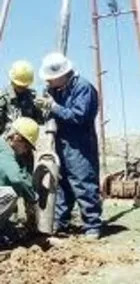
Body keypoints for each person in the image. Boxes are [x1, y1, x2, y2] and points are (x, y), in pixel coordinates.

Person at [36, 52, 102, 239]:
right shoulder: (56, 90)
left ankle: (92, 225)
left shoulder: (83, 88)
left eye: (50, 79)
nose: (47, 82)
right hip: (62, 142)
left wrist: (54, 107)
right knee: (62, 183)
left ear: (61, 75)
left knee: (83, 182)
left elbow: (79, 116)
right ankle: (60, 222)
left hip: (80, 144)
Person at [0, 60, 44, 173]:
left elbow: (40, 121)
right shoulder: (3, 98)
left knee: (26, 180)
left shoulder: (32, 97)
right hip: (8, 147)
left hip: (26, 149)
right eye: (19, 85)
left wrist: (42, 108)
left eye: (24, 85)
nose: (22, 88)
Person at [0, 117, 39, 235]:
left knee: (13, 234)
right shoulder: (4, 151)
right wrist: (33, 198)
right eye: (26, 146)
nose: (26, 151)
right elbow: (17, 178)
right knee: (9, 194)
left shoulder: (7, 150)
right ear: (17, 138)